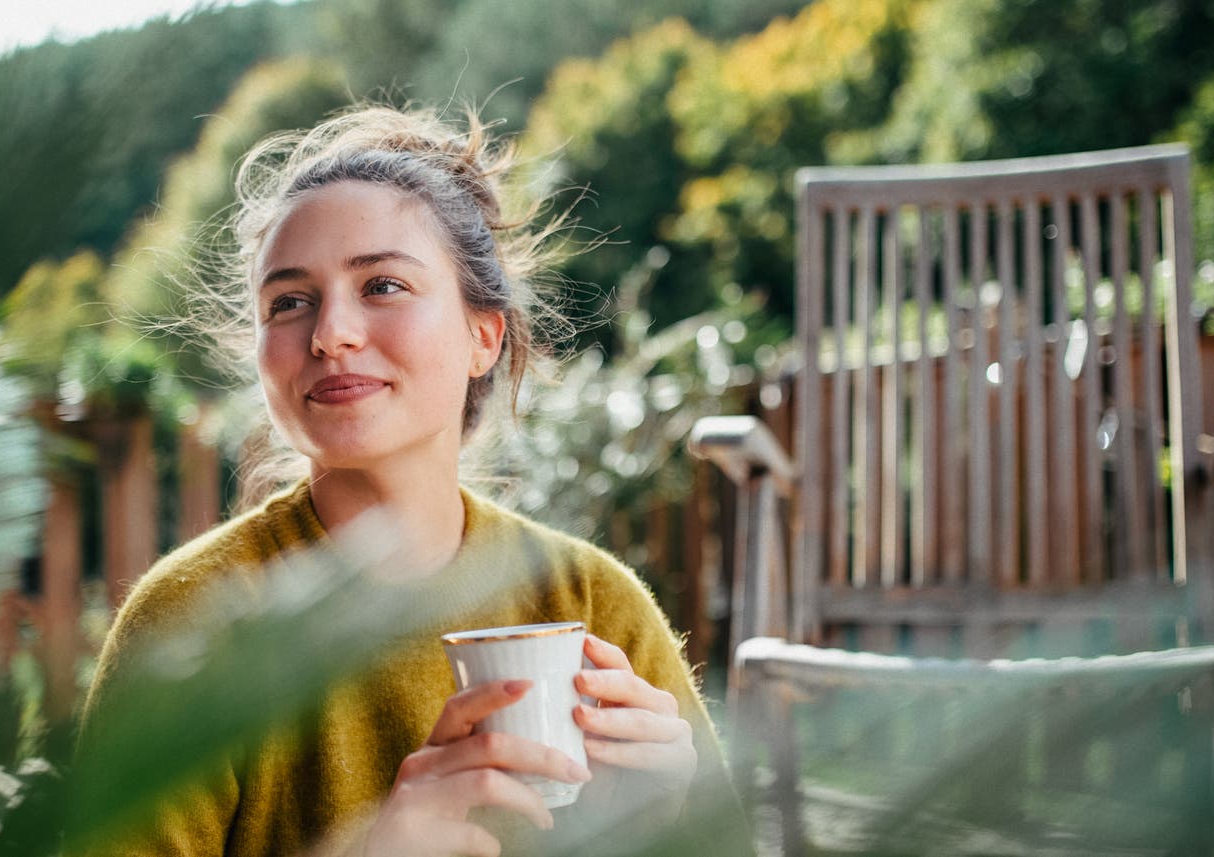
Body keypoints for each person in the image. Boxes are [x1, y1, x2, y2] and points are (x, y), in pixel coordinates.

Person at [75, 105, 754, 857]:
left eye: (384, 285)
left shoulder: (595, 607)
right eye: (289, 302)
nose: (331, 332)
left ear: (482, 336)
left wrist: (664, 824)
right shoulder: (191, 625)